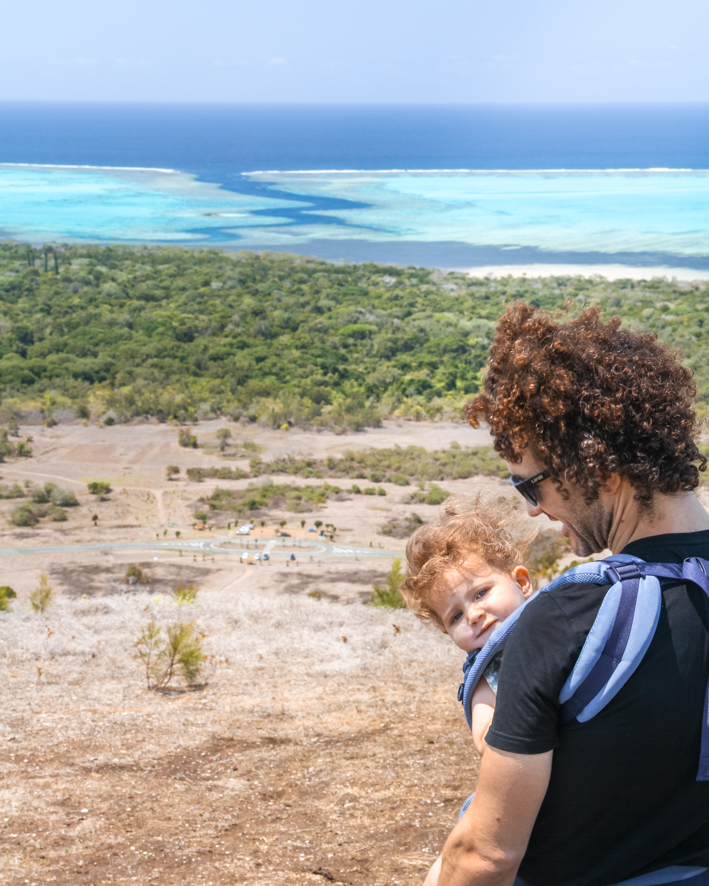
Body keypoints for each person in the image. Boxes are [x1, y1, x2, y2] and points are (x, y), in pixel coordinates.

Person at [435, 303, 709, 886]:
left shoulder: (567, 621)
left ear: (601, 469)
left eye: (531, 483)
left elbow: (485, 857)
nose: (531, 507)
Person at [401, 494, 538, 886]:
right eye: (456, 615)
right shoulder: (488, 671)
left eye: (480, 593)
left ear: (522, 582)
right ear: (449, 632)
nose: (474, 615)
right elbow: (485, 736)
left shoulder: (558, 623)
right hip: (511, 786)